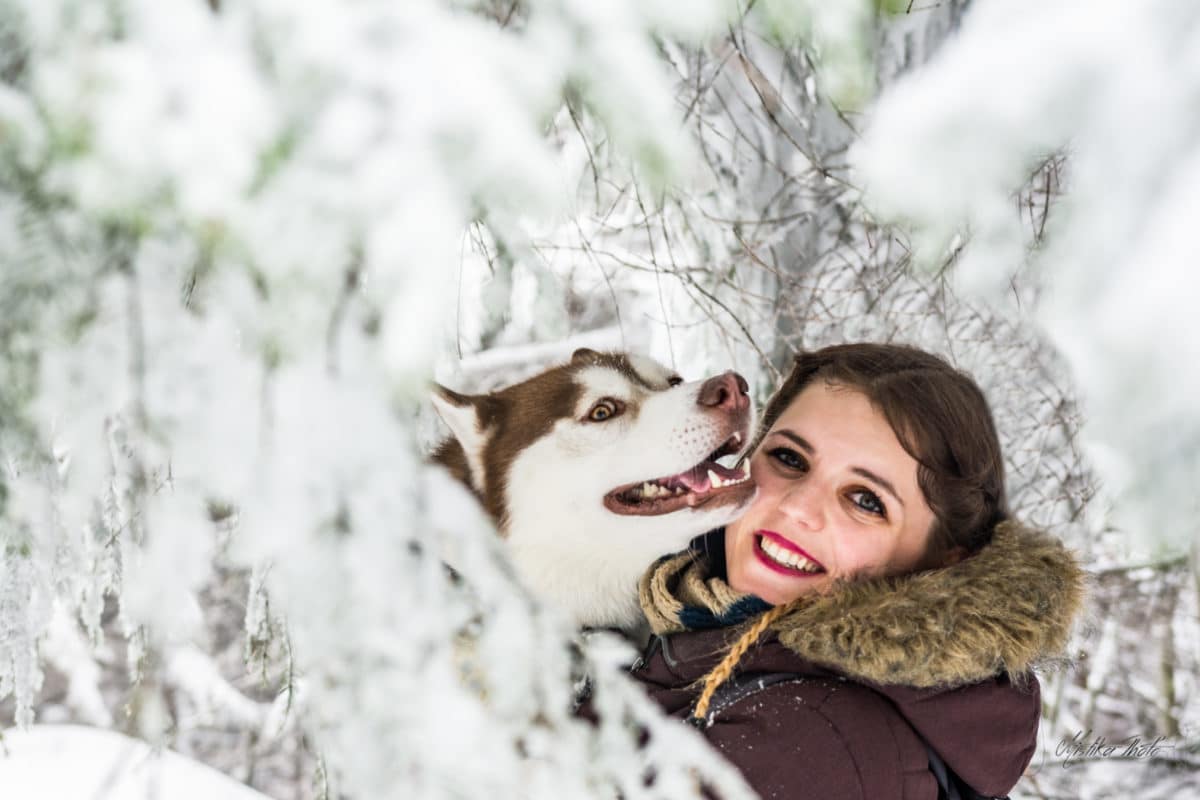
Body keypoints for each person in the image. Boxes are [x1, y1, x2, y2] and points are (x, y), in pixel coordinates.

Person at [632, 343, 1085, 800]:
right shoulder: (679, 611)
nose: (798, 507)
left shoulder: (808, 742)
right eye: (789, 458)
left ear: (942, 562)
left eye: (866, 500)